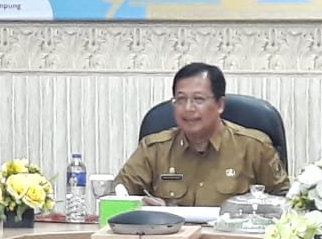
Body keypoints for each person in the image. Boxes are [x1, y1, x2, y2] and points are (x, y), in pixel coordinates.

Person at [114, 62, 288, 206]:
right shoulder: (154, 149)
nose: (188, 108)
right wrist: (141, 204)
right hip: (170, 236)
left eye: (198, 99)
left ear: (220, 105)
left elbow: (286, 201)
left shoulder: (254, 147)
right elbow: (116, 193)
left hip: (233, 237)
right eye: (181, 99)